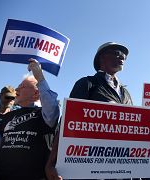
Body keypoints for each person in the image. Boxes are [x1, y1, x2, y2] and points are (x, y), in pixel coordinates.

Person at [45, 42, 134, 180]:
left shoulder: (126, 93)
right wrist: (52, 162)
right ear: (101, 58)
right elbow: (67, 123)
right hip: (91, 166)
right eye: (117, 53)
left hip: (120, 166)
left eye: (124, 56)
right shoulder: (87, 84)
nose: (122, 57)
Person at [0, 59, 60, 180]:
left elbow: (52, 111)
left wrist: (40, 77)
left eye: (22, 86)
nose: (16, 90)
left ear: (36, 94)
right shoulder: (9, 115)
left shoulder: (42, 113)